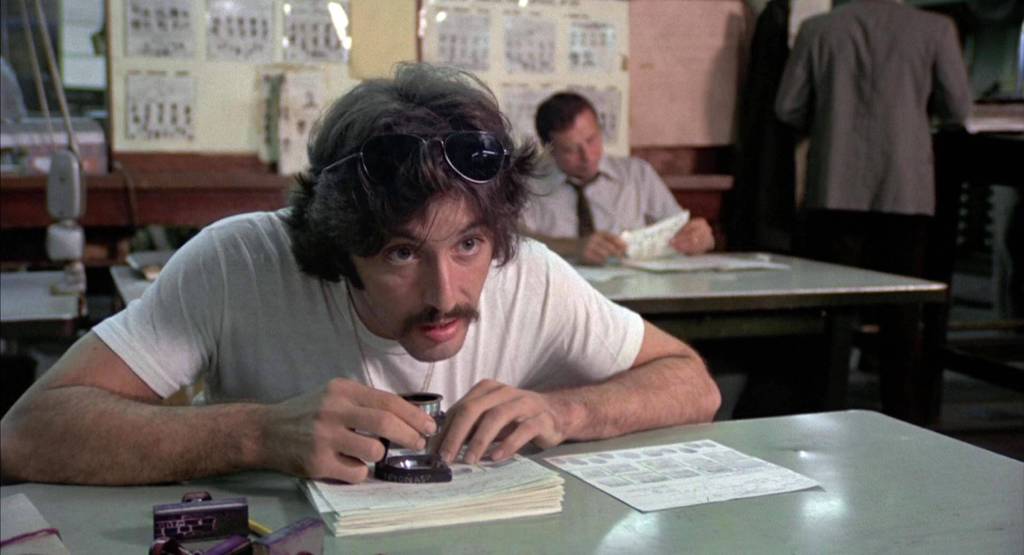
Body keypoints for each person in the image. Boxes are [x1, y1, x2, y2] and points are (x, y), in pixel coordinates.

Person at [0, 64, 720, 486]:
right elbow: (27, 432)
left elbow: (693, 382)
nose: (445, 295)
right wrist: (256, 434)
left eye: (468, 245)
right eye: (402, 253)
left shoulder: (529, 274)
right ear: (340, 244)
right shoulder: (239, 262)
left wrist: (566, 412)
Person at [775, 0, 971, 423]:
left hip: (833, 187)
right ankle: (903, 419)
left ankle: (823, 415)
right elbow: (958, 109)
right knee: (902, 318)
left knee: (831, 315)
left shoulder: (819, 29)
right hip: (904, 191)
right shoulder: (935, 29)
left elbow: (787, 106)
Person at [520, 92, 715, 266]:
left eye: (591, 140)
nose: (587, 156)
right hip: (559, 289)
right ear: (549, 149)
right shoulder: (528, 184)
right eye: (570, 149)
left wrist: (699, 237)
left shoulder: (637, 175)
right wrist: (573, 247)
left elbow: (678, 227)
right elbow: (517, 240)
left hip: (634, 287)